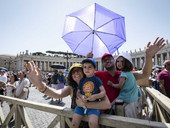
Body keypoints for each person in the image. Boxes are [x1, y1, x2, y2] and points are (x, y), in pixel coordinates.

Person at [86, 37, 165, 115]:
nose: (107, 61)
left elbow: (144, 74)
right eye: (104, 60)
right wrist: (89, 59)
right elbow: (84, 73)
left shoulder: (125, 74)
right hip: (108, 111)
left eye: (109, 59)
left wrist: (148, 57)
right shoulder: (98, 75)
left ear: (114, 61)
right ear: (102, 64)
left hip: (125, 109)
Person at [26, 62, 111, 127]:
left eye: (78, 71)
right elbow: (58, 93)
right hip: (74, 124)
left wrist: (85, 105)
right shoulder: (71, 88)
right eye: (73, 72)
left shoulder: (94, 84)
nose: (76, 74)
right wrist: (41, 86)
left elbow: (107, 104)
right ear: (71, 76)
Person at [72, 58, 106, 128]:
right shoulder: (82, 80)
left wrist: (95, 96)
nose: (87, 69)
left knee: (92, 123)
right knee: (74, 124)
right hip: (81, 106)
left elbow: (103, 92)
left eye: (89, 67)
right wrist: (81, 97)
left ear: (95, 69)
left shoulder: (97, 80)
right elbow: (78, 93)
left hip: (94, 106)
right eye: (84, 67)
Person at [107, 52, 142, 118]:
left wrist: (111, 84)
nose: (119, 63)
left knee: (111, 105)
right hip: (133, 98)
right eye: (117, 61)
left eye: (122, 61)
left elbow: (120, 86)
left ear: (127, 63)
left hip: (127, 98)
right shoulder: (129, 73)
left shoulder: (123, 74)